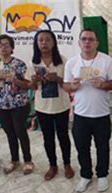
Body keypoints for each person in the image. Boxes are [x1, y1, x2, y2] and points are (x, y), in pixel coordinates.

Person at [63, 28, 112, 193]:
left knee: (102, 147)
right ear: (79, 42)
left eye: (91, 39)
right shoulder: (72, 63)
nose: (87, 42)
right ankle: (86, 175)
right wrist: (73, 86)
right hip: (80, 114)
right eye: (84, 39)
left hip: (101, 113)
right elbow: (66, 86)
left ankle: (102, 175)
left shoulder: (106, 61)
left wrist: (103, 84)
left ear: (96, 43)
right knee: (82, 147)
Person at [27, 30, 74, 181]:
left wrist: (57, 78)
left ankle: (67, 164)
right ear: (36, 43)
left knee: (63, 136)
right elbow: (32, 87)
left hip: (61, 105)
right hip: (42, 106)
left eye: (48, 40)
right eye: (40, 40)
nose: (44, 43)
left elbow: (68, 85)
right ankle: (52, 165)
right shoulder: (33, 63)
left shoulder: (63, 60)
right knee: (48, 138)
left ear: (54, 42)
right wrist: (34, 81)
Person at [0, 34, 34, 175]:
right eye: (0, 45)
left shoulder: (19, 64)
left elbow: (28, 85)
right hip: (1, 104)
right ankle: (14, 159)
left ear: (12, 47)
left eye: (7, 45)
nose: (3, 47)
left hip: (18, 103)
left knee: (20, 131)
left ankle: (28, 160)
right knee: (9, 133)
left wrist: (15, 80)